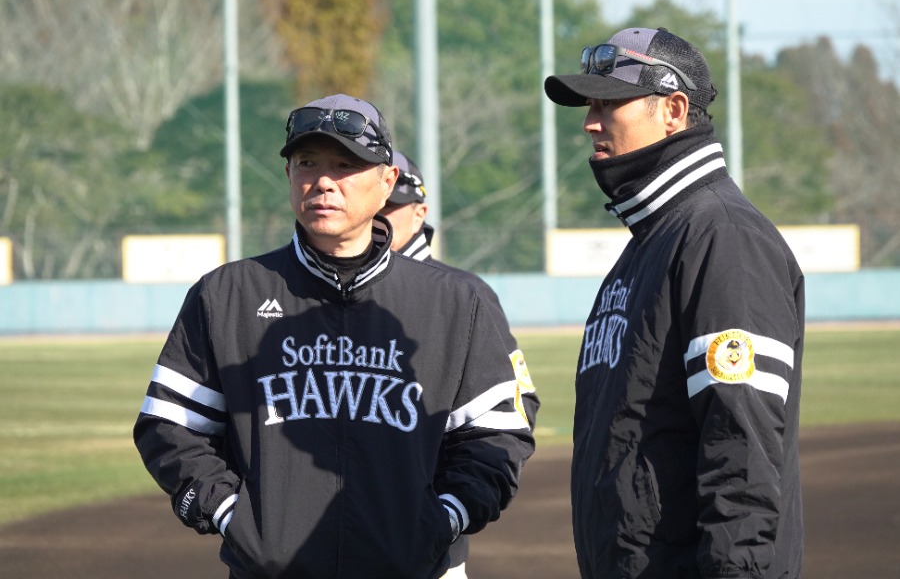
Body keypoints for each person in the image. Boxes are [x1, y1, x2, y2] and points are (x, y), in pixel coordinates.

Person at [133, 93, 535, 579]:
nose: (323, 181)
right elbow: (169, 424)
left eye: (346, 165)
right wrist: (229, 515)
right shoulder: (227, 294)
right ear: (288, 176)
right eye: (307, 163)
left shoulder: (454, 302)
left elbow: (498, 430)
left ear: (387, 183)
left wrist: (443, 517)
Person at [544, 28, 804, 578]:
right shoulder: (648, 245)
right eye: (589, 105)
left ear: (674, 109)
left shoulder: (723, 238)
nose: (591, 122)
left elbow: (743, 450)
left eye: (609, 103)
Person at [379, 151, 541, 578]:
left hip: (428, 548)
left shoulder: (462, 294)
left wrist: (448, 506)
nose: (380, 216)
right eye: (374, 204)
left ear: (420, 213)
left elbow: (518, 403)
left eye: (392, 207)